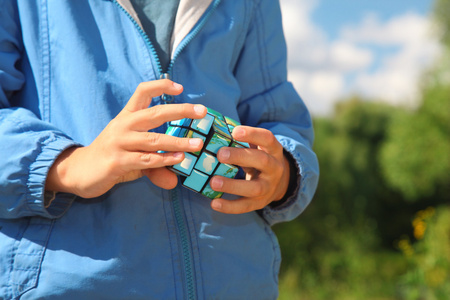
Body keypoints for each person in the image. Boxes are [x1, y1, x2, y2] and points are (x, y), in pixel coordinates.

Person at [0, 0, 319, 299]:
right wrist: (67, 165)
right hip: (77, 284)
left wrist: (283, 175)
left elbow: (278, 119)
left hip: (238, 283)